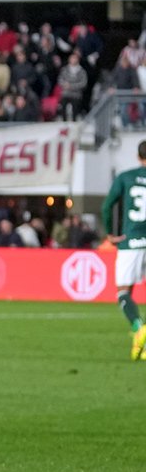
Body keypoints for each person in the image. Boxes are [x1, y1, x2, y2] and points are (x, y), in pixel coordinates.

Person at [101, 141, 146, 360]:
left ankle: (139, 327)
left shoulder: (126, 177)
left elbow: (107, 205)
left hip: (131, 242)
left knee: (123, 292)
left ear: (138, 157)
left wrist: (110, 233)